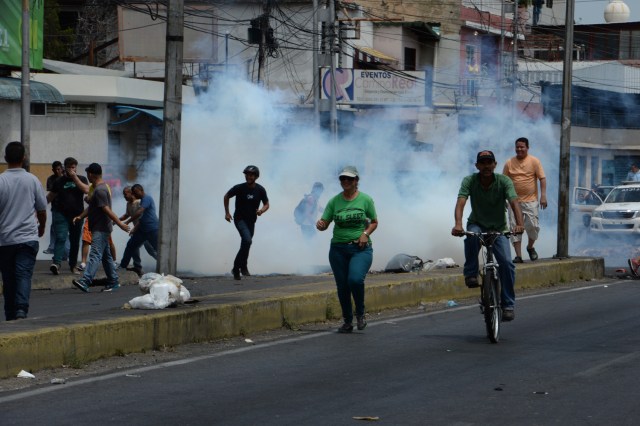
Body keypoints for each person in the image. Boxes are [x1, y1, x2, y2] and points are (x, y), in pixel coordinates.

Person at [452, 150, 524, 322]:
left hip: (498, 228)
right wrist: (458, 224)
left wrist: (519, 224)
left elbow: (514, 202)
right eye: (482, 163)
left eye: (489, 162)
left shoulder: (504, 181)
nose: (486, 166)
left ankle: (507, 305)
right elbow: (461, 202)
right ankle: (470, 273)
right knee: (472, 236)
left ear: (495, 164)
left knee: (506, 263)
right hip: (477, 223)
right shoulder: (469, 180)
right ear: (477, 165)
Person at [316, 166, 378, 333]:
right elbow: (325, 223)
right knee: (342, 286)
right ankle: (347, 321)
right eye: (342, 179)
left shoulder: (365, 200)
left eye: (349, 179)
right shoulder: (334, 201)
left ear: (356, 181)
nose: (345, 181)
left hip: (360, 248)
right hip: (338, 249)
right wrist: (320, 225)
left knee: (355, 280)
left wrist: (365, 233)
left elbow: (374, 221)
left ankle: (360, 313)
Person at [0, 141, 47, 320]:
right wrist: (41, 228)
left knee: (9, 279)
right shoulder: (32, 179)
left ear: (5, 158)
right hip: (28, 237)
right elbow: (42, 210)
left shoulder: (1, 181)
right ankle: (21, 310)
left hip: (5, 240)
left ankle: (10, 313)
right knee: (23, 275)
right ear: (24, 158)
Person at [72, 163, 129, 292]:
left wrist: (120, 224)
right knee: (106, 256)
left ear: (91, 174)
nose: (87, 176)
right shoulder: (97, 189)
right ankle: (113, 281)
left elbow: (106, 210)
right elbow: (91, 207)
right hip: (99, 226)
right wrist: (80, 217)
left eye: (88, 174)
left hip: (101, 228)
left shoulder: (100, 190)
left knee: (95, 254)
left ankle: (85, 280)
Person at [502, 137, 547, 263]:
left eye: (522, 147)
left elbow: (542, 179)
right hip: (513, 201)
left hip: (531, 200)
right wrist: (502, 199)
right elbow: (503, 182)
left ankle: (530, 247)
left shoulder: (534, 161)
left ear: (527, 148)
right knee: (515, 228)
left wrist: (543, 196)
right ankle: (518, 256)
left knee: (532, 226)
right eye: (517, 147)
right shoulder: (509, 162)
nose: (519, 149)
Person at [224, 165, 269, 280]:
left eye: (251, 175)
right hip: (239, 219)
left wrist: (261, 211)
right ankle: (236, 268)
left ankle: (243, 267)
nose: (248, 177)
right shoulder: (239, 188)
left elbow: (266, 204)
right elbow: (226, 196)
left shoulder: (260, 190)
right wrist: (227, 213)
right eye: (247, 174)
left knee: (246, 243)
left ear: (256, 177)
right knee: (247, 240)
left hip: (251, 221)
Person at [47, 157, 89, 275]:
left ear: (76, 168)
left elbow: (87, 190)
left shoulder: (82, 179)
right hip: (61, 213)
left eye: (73, 167)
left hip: (77, 215)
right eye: (69, 167)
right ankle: (56, 263)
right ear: (64, 168)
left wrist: (75, 177)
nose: (71, 170)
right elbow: (51, 196)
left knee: (75, 241)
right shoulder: (59, 181)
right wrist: (38, 208)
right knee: (61, 237)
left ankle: (73, 265)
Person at [118, 184, 159, 275]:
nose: (135, 195)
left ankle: (164, 265)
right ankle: (124, 265)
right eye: (134, 193)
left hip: (152, 229)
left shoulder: (146, 199)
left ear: (141, 190)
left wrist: (128, 222)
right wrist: (117, 220)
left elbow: (140, 214)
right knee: (131, 245)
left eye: (136, 193)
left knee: (155, 249)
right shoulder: (134, 203)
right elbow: (134, 217)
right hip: (142, 230)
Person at [43, 161, 67, 255]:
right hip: (56, 207)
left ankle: (65, 251)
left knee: (65, 230)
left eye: (59, 169)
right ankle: (52, 247)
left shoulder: (67, 178)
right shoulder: (51, 179)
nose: (58, 171)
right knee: (53, 227)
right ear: (53, 170)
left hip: (67, 208)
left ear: (62, 169)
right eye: (56, 169)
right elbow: (50, 193)